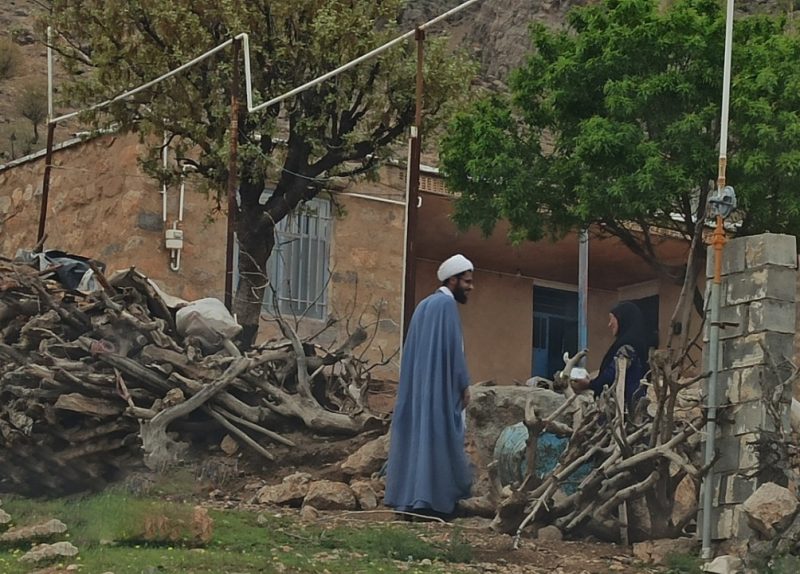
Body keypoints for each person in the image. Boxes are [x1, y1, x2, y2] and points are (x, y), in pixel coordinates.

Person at [384, 254, 474, 520]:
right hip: (438, 391)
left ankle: (410, 500)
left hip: (419, 390)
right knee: (440, 438)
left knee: (418, 439)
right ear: (453, 279)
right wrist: (463, 384)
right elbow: (453, 353)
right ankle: (433, 502)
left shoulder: (425, 305)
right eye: (467, 281)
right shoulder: (445, 306)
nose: (470, 287)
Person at [572, 301, 649, 408]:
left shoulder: (627, 348)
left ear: (623, 320)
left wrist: (589, 384)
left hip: (624, 406)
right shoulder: (637, 344)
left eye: (612, 319)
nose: (609, 324)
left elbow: (612, 375)